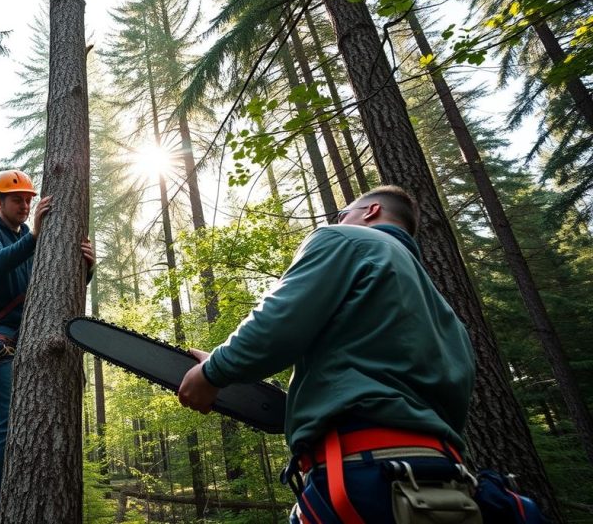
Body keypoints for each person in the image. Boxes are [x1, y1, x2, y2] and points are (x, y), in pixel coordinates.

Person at [178, 185, 477, 523]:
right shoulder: (444, 312)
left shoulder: (347, 239)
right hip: (445, 483)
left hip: (364, 472)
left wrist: (213, 371)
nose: (339, 220)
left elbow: (280, 321)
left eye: (343, 213)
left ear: (371, 211)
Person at [0, 170, 95, 524]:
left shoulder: (27, 234)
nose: (25, 205)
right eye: (16, 200)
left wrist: (85, 268)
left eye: (28, 199)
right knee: (7, 422)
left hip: (27, 332)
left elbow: (48, 281)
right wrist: (35, 236)